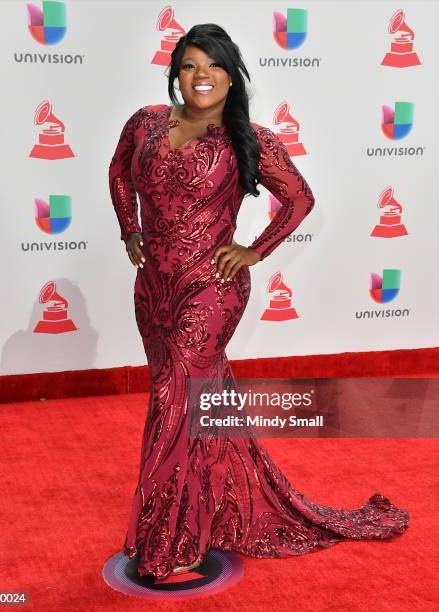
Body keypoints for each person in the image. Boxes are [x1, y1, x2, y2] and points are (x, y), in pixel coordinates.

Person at [108, 23, 409, 580]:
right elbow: (117, 173)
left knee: (176, 404)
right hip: (153, 289)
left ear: (232, 75)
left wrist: (253, 251)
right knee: (193, 402)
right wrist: (130, 230)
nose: (202, 76)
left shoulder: (248, 137)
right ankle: (210, 509)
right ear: (176, 70)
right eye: (191, 64)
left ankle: (173, 539)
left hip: (211, 289)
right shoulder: (146, 122)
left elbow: (299, 198)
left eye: (215, 65)